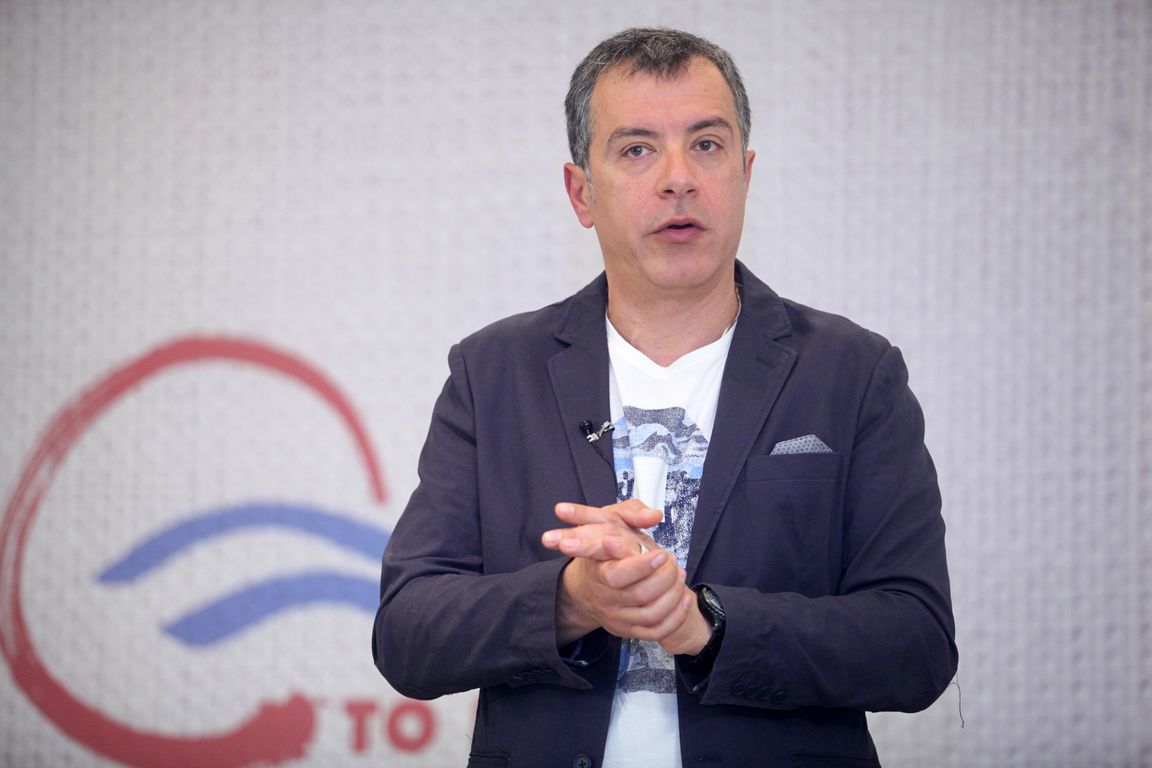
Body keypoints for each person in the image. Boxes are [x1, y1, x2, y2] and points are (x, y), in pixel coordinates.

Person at [373, 27, 957, 768]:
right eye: (637, 150)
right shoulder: (494, 374)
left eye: (707, 145)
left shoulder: (852, 374)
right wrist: (571, 599)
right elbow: (408, 633)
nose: (679, 178)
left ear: (745, 173)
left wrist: (706, 624)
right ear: (582, 193)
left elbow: (916, 642)